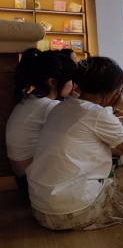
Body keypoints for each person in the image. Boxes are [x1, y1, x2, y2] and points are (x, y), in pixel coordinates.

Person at [26, 56, 123, 230]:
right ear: (108, 90)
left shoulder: (60, 107)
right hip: (70, 212)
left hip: (40, 207)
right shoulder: (98, 113)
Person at [6, 49, 75, 189]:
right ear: (52, 82)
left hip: (21, 178)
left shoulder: (30, 98)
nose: (74, 84)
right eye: (71, 79)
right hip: (33, 180)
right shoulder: (49, 106)